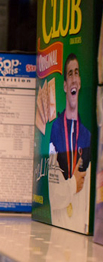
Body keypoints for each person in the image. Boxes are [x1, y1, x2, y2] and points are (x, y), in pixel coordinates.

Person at [47, 53, 92, 232]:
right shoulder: (56, 131)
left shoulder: (87, 135)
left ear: (80, 82)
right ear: (65, 86)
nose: (74, 78)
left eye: (76, 73)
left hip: (80, 231)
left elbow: (87, 194)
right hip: (58, 231)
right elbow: (54, 196)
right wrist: (73, 184)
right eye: (70, 74)